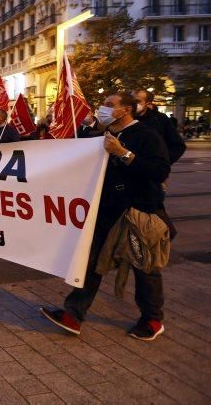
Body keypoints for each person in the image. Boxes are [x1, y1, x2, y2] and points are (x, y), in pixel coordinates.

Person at [41, 92, 171, 341]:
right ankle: (74, 314)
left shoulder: (146, 136)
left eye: (110, 105)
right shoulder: (100, 136)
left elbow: (159, 170)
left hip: (137, 213)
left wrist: (123, 153)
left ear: (127, 110)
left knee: (144, 267)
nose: (104, 109)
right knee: (90, 263)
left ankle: (152, 319)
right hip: (106, 212)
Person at [134, 90, 186, 165]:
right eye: (131, 101)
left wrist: (163, 162)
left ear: (148, 103)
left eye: (137, 101)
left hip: (150, 170)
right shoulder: (125, 117)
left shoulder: (160, 119)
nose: (133, 104)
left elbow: (178, 145)